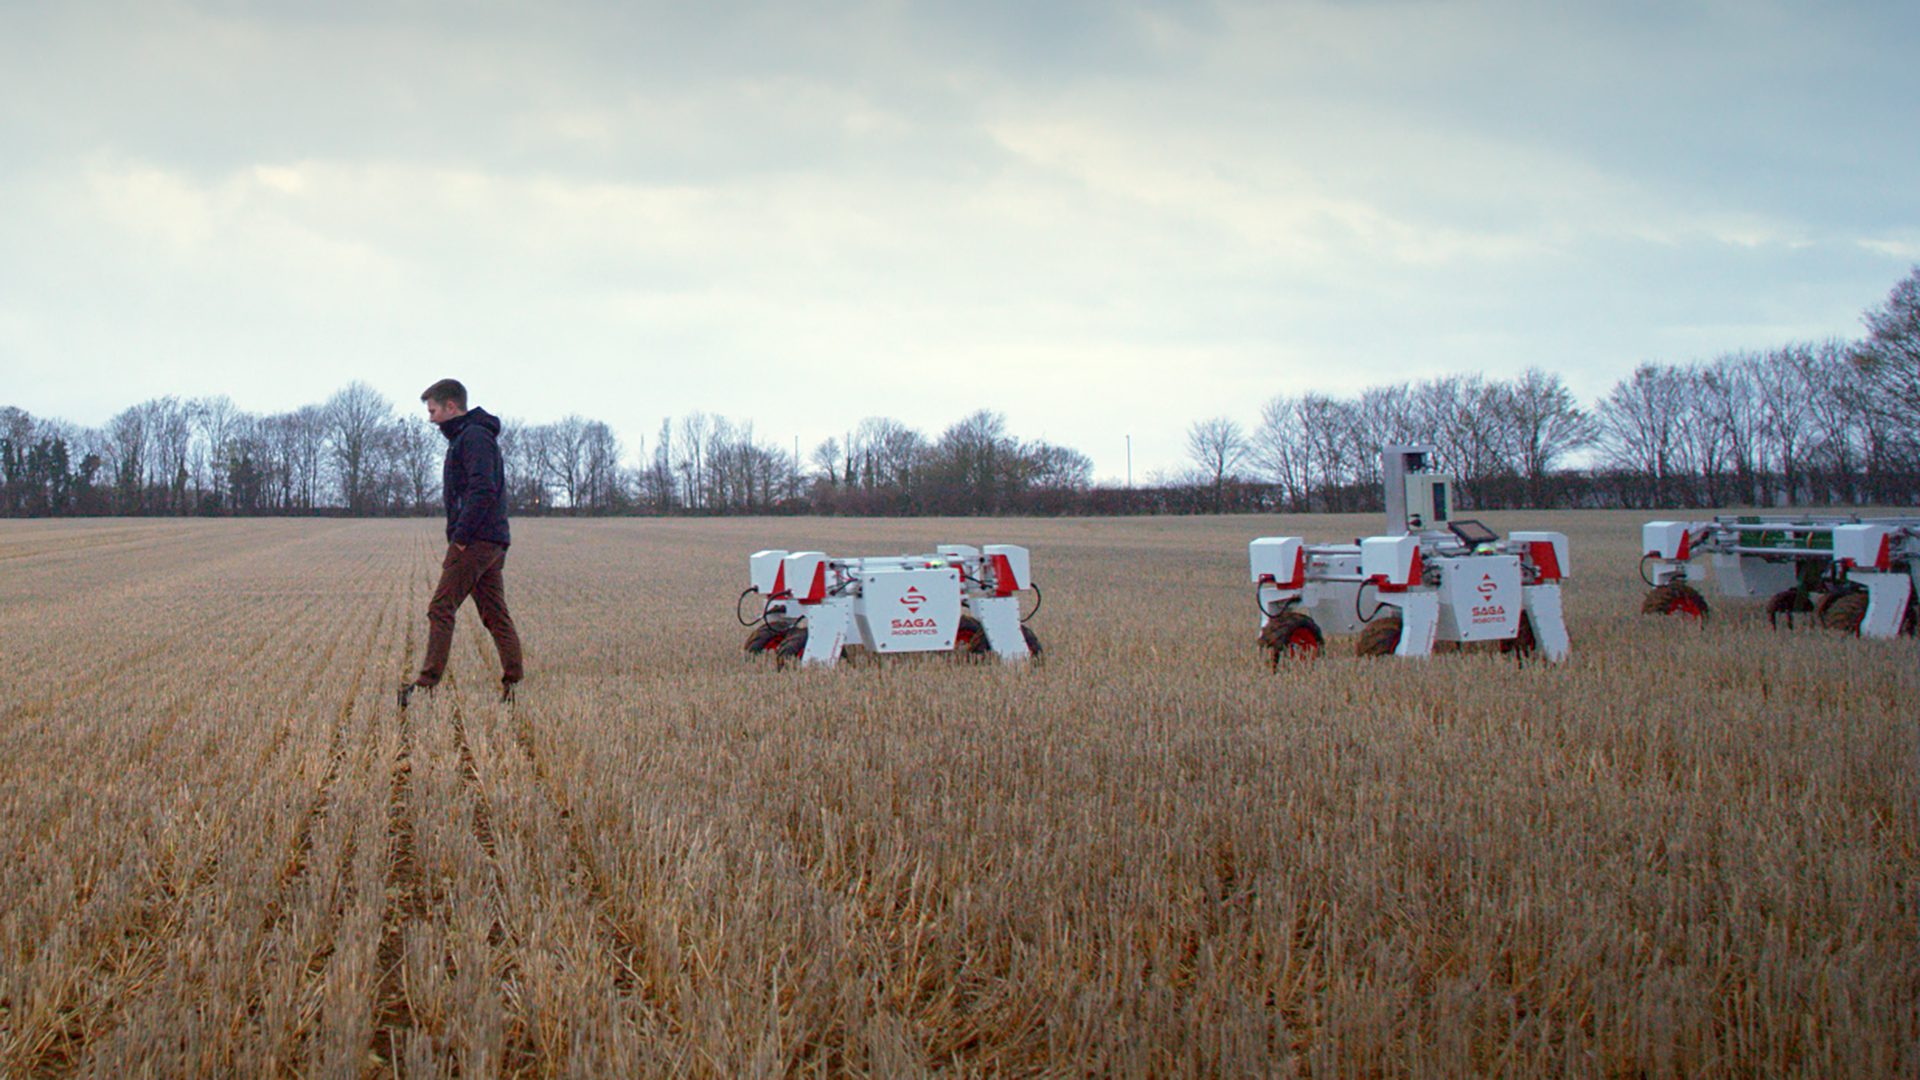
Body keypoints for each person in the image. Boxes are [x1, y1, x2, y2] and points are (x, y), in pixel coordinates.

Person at [399, 379, 523, 707]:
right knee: (495, 614)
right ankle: (515, 683)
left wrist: (462, 538)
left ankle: (426, 687)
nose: (431, 418)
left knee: (441, 608)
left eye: (433, 410)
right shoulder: (468, 437)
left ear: (451, 407)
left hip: (478, 540)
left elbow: (483, 490)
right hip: (490, 539)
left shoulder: (474, 438)